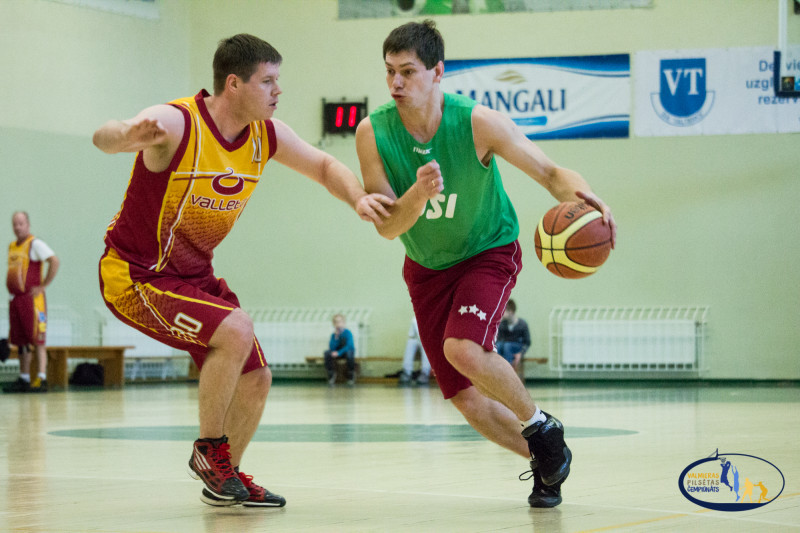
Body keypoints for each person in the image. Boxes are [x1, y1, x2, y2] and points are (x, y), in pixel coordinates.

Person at [93, 34, 392, 507]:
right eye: (268, 81)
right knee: (236, 330)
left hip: (192, 278)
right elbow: (104, 134)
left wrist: (357, 198)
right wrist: (125, 137)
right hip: (136, 275)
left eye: (278, 81)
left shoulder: (264, 135)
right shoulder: (178, 122)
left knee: (257, 378)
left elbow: (323, 164)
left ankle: (222, 477)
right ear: (233, 84)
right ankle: (209, 453)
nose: (278, 91)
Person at [355, 20, 616, 508]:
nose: (395, 83)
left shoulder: (477, 122)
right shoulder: (372, 132)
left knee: (464, 350)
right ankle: (548, 461)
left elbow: (549, 171)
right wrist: (417, 193)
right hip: (425, 266)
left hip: (487, 251)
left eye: (407, 71)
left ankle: (542, 425)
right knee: (462, 397)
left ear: (437, 72)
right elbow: (388, 227)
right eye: (389, 71)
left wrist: (587, 198)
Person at [4, 212, 60, 394]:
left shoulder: (35, 244)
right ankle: (24, 378)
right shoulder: (12, 246)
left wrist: (43, 285)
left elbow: (54, 261)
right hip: (17, 300)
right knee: (21, 342)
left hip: (33, 301)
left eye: (20, 223)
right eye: (14, 224)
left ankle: (41, 378)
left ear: (27, 224)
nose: (17, 227)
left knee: (37, 339)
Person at [495, 299, 530, 371]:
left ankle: (507, 370)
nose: (502, 313)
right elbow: (498, 339)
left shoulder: (522, 324)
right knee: (498, 345)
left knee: (507, 345)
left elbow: (527, 343)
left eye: (504, 311)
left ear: (510, 311)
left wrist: (521, 354)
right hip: (505, 346)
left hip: (516, 346)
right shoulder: (503, 324)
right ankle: (496, 368)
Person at [323, 314, 356, 386]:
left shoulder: (348, 333)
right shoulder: (333, 335)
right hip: (337, 352)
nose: (338, 324)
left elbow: (349, 345)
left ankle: (351, 374)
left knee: (349, 354)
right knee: (327, 353)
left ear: (344, 323)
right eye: (336, 322)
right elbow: (332, 348)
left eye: (340, 322)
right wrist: (336, 337)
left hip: (346, 352)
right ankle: (331, 374)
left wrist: (339, 352)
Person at [399, 316, 431, 385]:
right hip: (416, 339)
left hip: (427, 339)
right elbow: (412, 334)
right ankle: (407, 372)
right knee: (410, 342)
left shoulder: (432, 317)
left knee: (426, 345)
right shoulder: (414, 319)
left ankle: (425, 372)